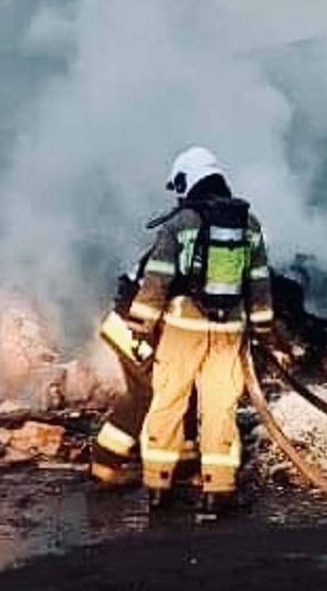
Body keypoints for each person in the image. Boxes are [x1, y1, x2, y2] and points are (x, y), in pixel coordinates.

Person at [123, 146, 276, 511]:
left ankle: (158, 485)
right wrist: (264, 330)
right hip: (229, 330)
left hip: (182, 326)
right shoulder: (248, 223)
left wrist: (141, 324)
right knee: (220, 406)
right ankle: (218, 490)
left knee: (169, 400)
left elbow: (157, 279)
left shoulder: (180, 223)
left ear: (186, 180)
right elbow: (259, 281)